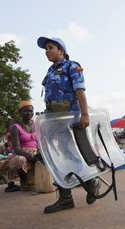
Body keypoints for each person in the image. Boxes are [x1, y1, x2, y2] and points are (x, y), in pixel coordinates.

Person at [37, 36, 100, 214]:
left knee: (74, 155)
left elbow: (80, 91)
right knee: (57, 158)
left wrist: (85, 114)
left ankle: (91, 182)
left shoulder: (72, 66)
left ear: (61, 51)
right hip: (53, 121)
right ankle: (65, 199)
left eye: (50, 48)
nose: (47, 51)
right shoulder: (50, 71)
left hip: (70, 120)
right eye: (46, 49)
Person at [10, 101, 38, 191]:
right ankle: (24, 180)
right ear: (20, 113)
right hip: (23, 153)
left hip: (36, 152)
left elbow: (41, 142)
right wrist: (28, 155)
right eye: (25, 111)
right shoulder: (15, 127)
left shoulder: (36, 125)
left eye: (30, 111)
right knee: (20, 160)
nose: (29, 113)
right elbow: (16, 149)